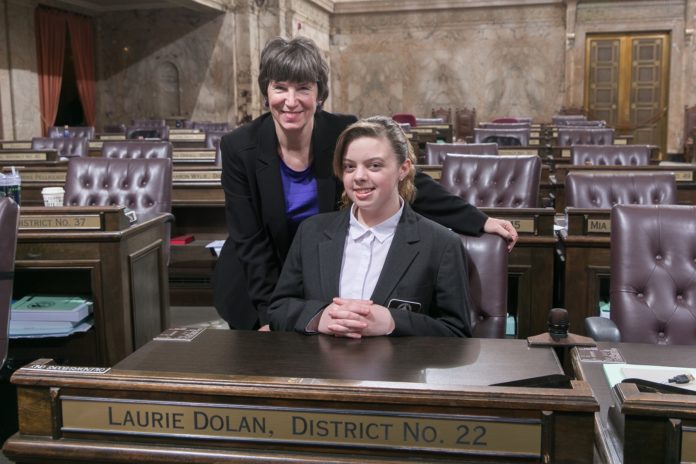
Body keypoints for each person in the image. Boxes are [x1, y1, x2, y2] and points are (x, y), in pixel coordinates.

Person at [214, 35, 517, 330]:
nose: (290, 101)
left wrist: (478, 220)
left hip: (320, 274)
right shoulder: (239, 147)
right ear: (266, 92)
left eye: (303, 89)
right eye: (280, 88)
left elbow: (405, 179)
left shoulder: (341, 131)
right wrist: (270, 317)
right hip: (255, 287)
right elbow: (251, 242)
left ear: (319, 94)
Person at [268, 117, 472, 337]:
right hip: (319, 368)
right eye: (349, 167)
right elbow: (279, 309)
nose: (359, 177)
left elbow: (457, 334)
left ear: (403, 168)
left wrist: (393, 322)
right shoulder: (311, 232)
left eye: (374, 165)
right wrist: (318, 317)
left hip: (397, 370)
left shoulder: (441, 244)